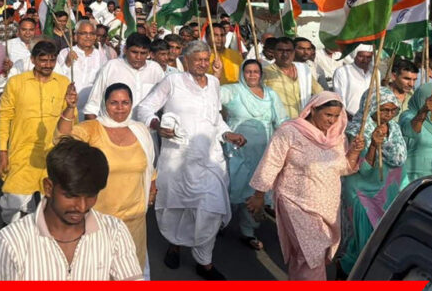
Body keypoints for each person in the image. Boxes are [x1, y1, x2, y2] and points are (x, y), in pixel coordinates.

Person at [135, 40, 247, 280]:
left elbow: (216, 120)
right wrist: (156, 124)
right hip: (178, 159)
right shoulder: (172, 82)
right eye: (198, 60)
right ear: (185, 60)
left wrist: (228, 134)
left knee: (211, 210)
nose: (203, 64)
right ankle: (174, 245)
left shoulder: (214, 83)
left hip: (209, 159)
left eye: (206, 60)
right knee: (178, 208)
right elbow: (144, 108)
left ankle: (204, 261)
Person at [0, 137, 142, 280]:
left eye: (90, 196)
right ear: (48, 187)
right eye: (71, 196)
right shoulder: (11, 242)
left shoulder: (114, 232)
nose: (81, 207)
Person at [248, 92, 365, 280]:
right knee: (311, 256)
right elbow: (271, 163)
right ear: (313, 110)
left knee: (308, 257)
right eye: (328, 115)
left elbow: (343, 168)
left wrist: (354, 152)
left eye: (336, 116)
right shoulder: (289, 132)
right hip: (295, 203)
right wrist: (259, 196)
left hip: (327, 207)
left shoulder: (337, 138)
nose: (332, 121)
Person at [55, 83, 156, 273]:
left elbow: (149, 166)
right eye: (114, 103)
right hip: (99, 220)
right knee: (98, 271)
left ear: (132, 104)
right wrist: (70, 108)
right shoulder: (92, 129)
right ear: (105, 104)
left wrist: (152, 188)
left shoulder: (140, 131)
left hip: (134, 220)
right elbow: (62, 141)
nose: (119, 108)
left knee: (130, 271)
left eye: (125, 103)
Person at [0, 41, 77, 224]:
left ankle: (38, 241)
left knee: (48, 201)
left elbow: (72, 120)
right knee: (13, 201)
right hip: (21, 152)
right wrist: (2, 152)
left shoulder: (63, 83)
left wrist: (71, 106)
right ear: (33, 60)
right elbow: (5, 118)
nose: (48, 65)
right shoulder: (17, 83)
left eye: (51, 60)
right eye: (43, 60)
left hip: (52, 153)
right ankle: (11, 234)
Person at [220, 60, 288, 251]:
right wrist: (216, 76)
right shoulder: (233, 90)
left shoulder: (271, 94)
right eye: (248, 71)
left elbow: (281, 119)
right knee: (231, 186)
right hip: (236, 150)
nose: (252, 75)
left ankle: (247, 231)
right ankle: (219, 224)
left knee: (256, 189)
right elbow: (211, 97)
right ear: (242, 73)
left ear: (261, 74)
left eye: (256, 72)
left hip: (263, 151)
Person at [340, 87, 408, 274]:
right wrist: (373, 145)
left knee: (382, 242)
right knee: (361, 244)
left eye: (392, 110)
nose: (388, 115)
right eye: (383, 110)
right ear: (371, 108)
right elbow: (362, 169)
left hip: (385, 193)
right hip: (362, 193)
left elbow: (399, 159)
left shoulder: (394, 128)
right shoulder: (357, 131)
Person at [84, 34, 165, 120]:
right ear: (125, 50)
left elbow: (163, 104)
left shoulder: (155, 69)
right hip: (113, 129)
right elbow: (92, 106)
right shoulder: (111, 67)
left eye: (143, 53)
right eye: (134, 52)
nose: (138, 57)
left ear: (149, 53)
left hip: (146, 130)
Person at [57, 21, 108, 120]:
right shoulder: (65, 52)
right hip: (66, 108)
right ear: (75, 36)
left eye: (92, 33)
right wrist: (67, 64)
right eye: (84, 33)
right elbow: (56, 78)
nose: (88, 37)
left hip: (90, 112)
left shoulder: (100, 55)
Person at [263, 37, 323, 119]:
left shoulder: (303, 70)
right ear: (274, 52)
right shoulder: (265, 73)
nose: (285, 54)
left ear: (294, 52)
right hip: (278, 123)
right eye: (280, 50)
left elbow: (319, 93)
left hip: (302, 122)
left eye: (289, 51)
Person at [333, 45, 374, 119]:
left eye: (368, 57)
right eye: (361, 56)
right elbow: (338, 97)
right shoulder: (342, 72)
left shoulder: (375, 73)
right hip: (349, 118)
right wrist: (347, 116)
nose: (365, 60)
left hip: (370, 119)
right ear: (355, 55)